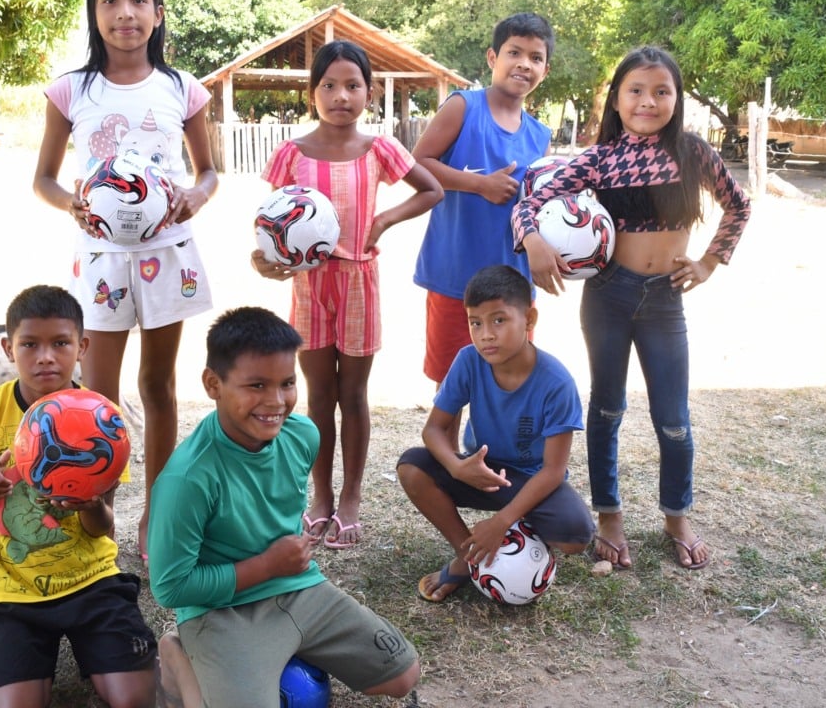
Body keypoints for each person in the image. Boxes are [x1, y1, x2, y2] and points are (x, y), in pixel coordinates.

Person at [513, 45, 752, 570]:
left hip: (665, 300)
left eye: (661, 91)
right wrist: (532, 242)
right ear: (617, 102)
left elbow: (739, 203)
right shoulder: (599, 160)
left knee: (673, 417)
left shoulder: (692, 153)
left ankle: (676, 516)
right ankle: (609, 517)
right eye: (636, 91)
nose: (648, 101)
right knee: (606, 409)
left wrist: (710, 261)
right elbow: (530, 202)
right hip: (610, 295)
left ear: (677, 98)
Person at [32, 0, 218, 562]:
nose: (124, 13)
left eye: (137, 0)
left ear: (158, 13)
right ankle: (100, 511)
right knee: (100, 398)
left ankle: (155, 519)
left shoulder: (183, 90)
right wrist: (72, 206)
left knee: (159, 386)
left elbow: (209, 171)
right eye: (109, 1)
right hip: (103, 261)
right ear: (94, 13)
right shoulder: (70, 90)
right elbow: (45, 181)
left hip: (167, 253)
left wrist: (194, 195)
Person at [148, 306, 420, 707]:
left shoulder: (303, 436)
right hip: (222, 611)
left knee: (401, 674)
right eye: (256, 385)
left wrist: (281, 570)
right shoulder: (187, 478)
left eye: (287, 383)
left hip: (299, 588)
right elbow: (170, 587)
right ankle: (177, 657)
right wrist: (266, 566)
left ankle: (279, 649)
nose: (276, 402)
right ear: (213, 384)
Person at [252, 39, 442, 549]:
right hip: (310, 287)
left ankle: (352, 496)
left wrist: (384, 218)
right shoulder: (292, 154)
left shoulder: (379, 148)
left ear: (369, 92)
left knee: (353, 395)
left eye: (352, 85)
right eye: (329, 85)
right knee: (319, 397)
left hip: (359, 280)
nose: (341, 96)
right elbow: (271, 223)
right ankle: (320, 497)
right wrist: (266, 260)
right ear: (313, 93)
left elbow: (432, 189)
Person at [0, 284, 156, 707]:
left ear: (82, 346)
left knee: (136, 700)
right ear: (8, 348)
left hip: (91, 583)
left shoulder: (102, 421)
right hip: (14, 591)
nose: (46, 356)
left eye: (60, 343)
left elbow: (103, 530)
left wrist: (93, 505)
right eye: (30, 344)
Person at [397, 265, 594, 603]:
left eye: (499, 320)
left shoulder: (557, 383)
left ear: (529, 319)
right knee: (412, 466)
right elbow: (433, 429)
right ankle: (468, 556)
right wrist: (457, 467)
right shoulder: (468, 361)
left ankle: (516, 539)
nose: (486, 334)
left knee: (576, 534)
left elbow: (553, 470)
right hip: (481, 475)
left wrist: (502, 521)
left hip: (531, 481)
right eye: (476, 322)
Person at [411, 13, 555, 447]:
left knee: (509, 378)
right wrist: (480, 184)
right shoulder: (463, 107)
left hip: (513, 281)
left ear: (545, 71)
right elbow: (417, 163)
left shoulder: (540, 135)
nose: (523, 64)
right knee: (451, 381)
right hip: (456, 275)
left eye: (535, 57)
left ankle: (495, 465)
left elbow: (536, 205)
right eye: (514, 52)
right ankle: (444, 466)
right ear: (493, 56)